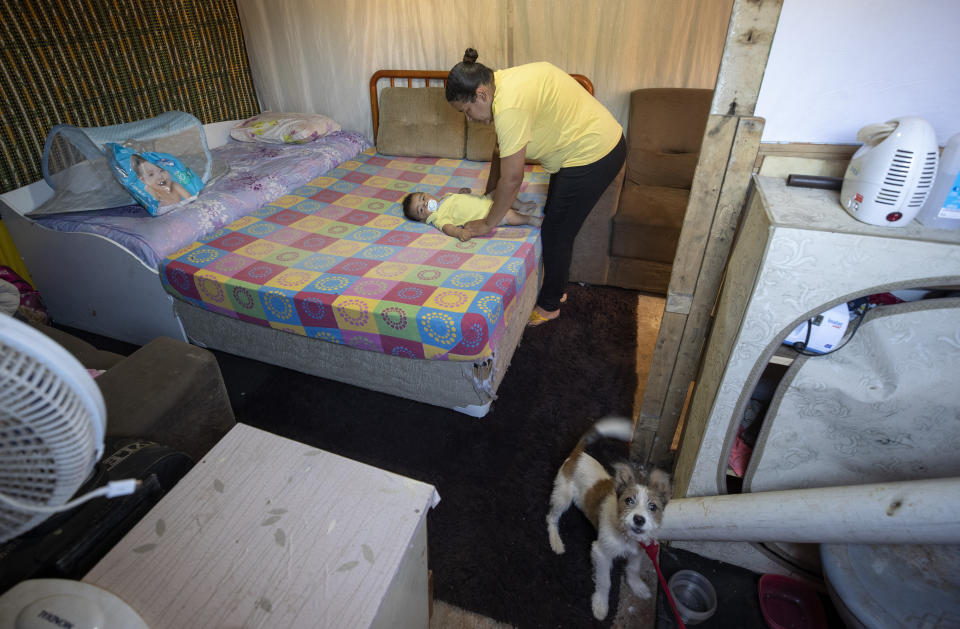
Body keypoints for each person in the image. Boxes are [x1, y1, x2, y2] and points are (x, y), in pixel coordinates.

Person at [445, 48, 626, 326]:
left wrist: (488, 223)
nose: (469, 119)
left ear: (480, 94)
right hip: (582, 147)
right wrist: (488, 193)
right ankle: (558, 287)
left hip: (594, 152)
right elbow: (501, 150)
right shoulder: (501, 83)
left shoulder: (508, 106)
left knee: (556, 230)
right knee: (555, 217)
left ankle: (550, 304)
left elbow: (513, 178)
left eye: (467, 111)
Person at [401, 189, 541, 242]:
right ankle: (529, 220)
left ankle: (520, 205)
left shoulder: (444, 197)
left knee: (501, 190)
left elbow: (459, 202)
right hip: (487, 214)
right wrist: (458, 232)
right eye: (421, 210)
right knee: (508, 215)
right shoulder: (437, 217)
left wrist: (462, 193)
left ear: (428, 193)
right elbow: (447, 227)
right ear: (422, 219)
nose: (425, 204)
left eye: (423, 198)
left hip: (485, 200)